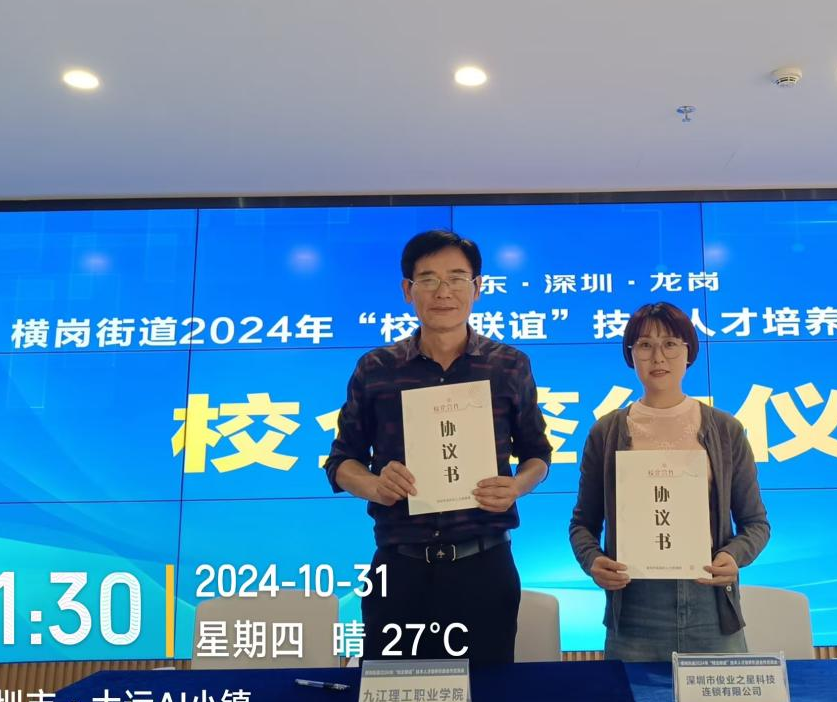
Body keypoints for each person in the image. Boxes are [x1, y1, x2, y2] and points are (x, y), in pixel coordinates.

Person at [324, 229, 552, 664]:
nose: (443, 292)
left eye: (456, 278)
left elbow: (537, 454)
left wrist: (517, 486)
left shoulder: (509, 365)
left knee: (487, 697)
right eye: (427, 279)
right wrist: (374, 485)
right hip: (399, 568)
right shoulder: (376, 368)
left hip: (484, 565)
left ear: (477, 288)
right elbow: (342, 460)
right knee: (392, 697)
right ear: (407, 290)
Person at [569, 302, 769, 660]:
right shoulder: (607, 432)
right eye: (645, 345)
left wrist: (733, 556)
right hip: (634, 611)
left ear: (689, 352)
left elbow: (756, 524)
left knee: (722, 699)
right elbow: (582, 524)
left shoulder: (725, 429)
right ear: (631, 355)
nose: (658, 356)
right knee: (628, 699)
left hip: (710, 609)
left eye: (671, 344)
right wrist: (593, 561)